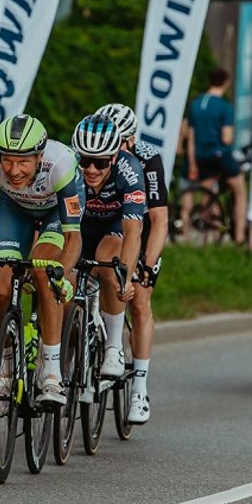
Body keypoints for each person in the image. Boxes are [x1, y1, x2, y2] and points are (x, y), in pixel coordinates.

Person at [0, 114, 84, 410]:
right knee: (0, 285)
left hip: (55, 215)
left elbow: (74, 236)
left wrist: (60, 276)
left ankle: (51, 372)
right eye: (8, 161)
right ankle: (7, 364)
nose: (14, 170)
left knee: (43, 268)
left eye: (23, 162)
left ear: (40, 155)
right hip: (16, 212)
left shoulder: (61, 163)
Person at [97, 102, 167, 424]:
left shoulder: (148, 158)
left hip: (142, 229)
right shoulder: (94, 157)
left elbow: (159, 221)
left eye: (122, 140)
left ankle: (139, 387)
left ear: (132, 139)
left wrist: (147, 268)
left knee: (139, 299)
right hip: (108, 224)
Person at [70, 114, 145, 391]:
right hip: (79, 224)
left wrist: (124, 277)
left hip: (114, 226)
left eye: (100, 162)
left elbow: (133, 231)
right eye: (85, 160)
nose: (90, 169)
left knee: (108, 265)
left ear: (114, 158)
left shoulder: (130, 170)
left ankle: (113, 346)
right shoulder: (69, 168)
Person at [186, 67, 246, 245]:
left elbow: (191, 137)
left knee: (207, 196)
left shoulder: (196, 104)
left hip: (200, 155)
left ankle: (208, 235)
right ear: (226, 82)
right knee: (240, 192)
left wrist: (192, 164)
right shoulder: (225, 106)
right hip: (219, 153)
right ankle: (240, 236)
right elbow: (226, 138)